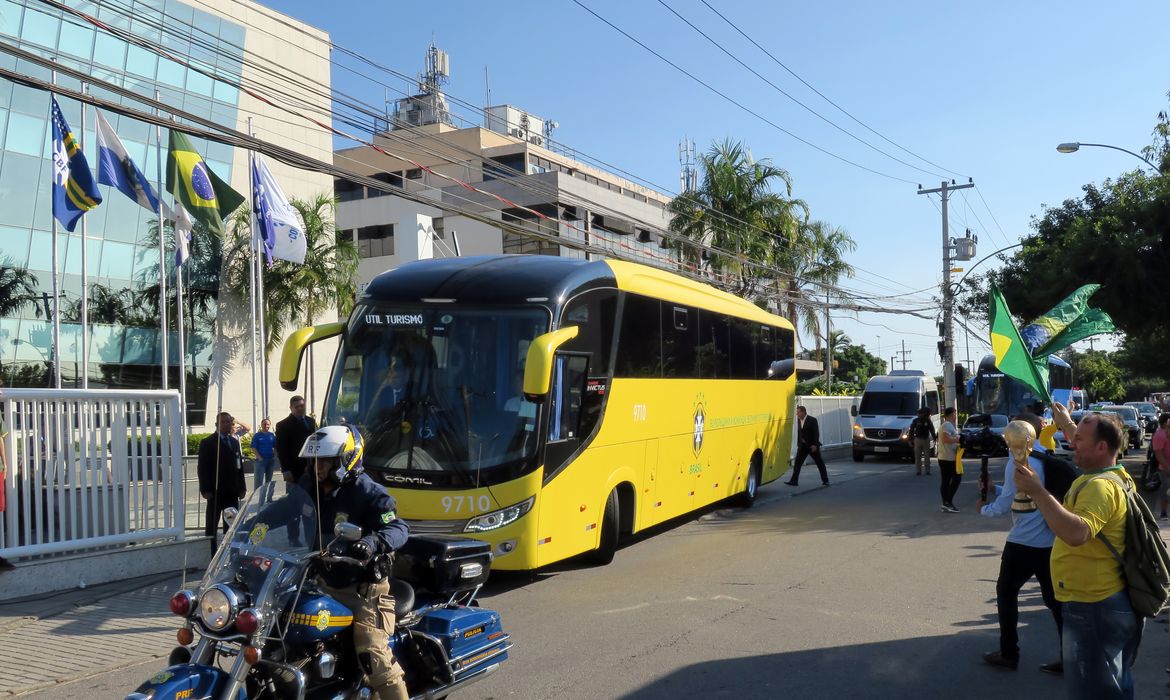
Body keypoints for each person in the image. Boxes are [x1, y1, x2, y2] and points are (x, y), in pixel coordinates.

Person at [1014, 411, 1143, 699]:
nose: (1071, 444)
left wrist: (1037, 491)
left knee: (1093, 692)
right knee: (1114, 686)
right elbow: (1092, 441)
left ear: (1101, 448)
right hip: (1103, 602)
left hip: (1092, 606)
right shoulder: (1113, 474)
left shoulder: (1099, 487)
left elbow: (1076, 534)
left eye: (1078, 440)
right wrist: (1068, 424)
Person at [297, 425, 410, 700]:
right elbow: (285, 509)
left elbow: (397, 528)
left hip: (362, 593)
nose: (317, 467)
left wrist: (372, 543)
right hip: (321, 583)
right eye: (314, 461)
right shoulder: (309, 487)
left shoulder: (370, 493)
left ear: (346, 459)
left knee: (375, 658)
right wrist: (254, 524)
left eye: (324, 461)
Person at [976, 402, 1076, 675]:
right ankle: (1071, 657)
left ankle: (1009, 653)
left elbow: (1009, 502)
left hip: (1022, 542)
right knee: (1055, 602)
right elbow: (1024, 493)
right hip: (1049, 542)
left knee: (1006, 594)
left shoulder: (1017, 462)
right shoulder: (1046, 456)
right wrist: (994, 487)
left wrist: (984, 508)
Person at [198, 412, 247, 555]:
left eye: (228, 422)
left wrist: (242, 486)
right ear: (216, 424)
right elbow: (202, 468)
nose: (226, 425)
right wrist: (205, 489)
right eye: (223, 422)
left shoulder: (234, 442)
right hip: (215, 491)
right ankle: (212, 554)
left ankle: (229, 554)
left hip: (232, 491)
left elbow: (239, 466)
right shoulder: (208, 442)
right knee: (212, 526)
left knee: (231, 525)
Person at [276, 395, 317, 484]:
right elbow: (281, 450)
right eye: (297, 407)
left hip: (312, 468)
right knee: (294, 496)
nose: (300, 408)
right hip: (294, 470)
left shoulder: (311, 421)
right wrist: (286, 470)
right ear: (291, 408)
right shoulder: (282, 425)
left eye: (302, 406)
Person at [785, 405, 829, 487]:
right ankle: (794, 481)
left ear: (803, 412)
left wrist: (815, 445)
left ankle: (825, 480)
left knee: (820, 463)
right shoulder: (799, 420)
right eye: (797, 412)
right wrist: (799, 444)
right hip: (803, 446)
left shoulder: (812, 420)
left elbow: (816, 433)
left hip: (812, 446)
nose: (797, 414)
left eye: (798, 412)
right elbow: (800, 433)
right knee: (797, 463)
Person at [937, 407, 962, 513]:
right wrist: (958, 439)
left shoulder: (948, 425)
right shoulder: (947, 425)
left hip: (947, 457)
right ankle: (948, 502)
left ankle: (946, 503)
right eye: (955, 414)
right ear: (951, 414)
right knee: (956, 479)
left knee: (947, 480)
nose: (955, 416)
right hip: (947, 458)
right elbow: (945, 439)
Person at [1151, 414, 1170, 520]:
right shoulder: (1159, 435)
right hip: (1166, 468)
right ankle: (1163, 512)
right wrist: (1167, 468)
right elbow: (1158, 453)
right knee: (1166, 488)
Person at [909, 407, 937, 476]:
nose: (918, 414)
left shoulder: (927, 421)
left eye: (920, 413)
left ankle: (927, 470)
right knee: (917, 456)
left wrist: (934, 438)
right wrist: (910, 440)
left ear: (923, 414)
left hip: (926, 439)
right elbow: (911, 431)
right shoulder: (915, 421)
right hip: (917, 439)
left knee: (927, 456)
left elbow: (932, 430)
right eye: (918, 413)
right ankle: (918, 471)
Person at [251, 418, 276, 488]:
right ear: (261, 425)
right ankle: (257, 498)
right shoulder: (257, 435)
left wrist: (275, 456)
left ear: (270, 425)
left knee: (269, 482)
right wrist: (259, 458)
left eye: (267, 424)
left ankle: (267, 498)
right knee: (258, 482)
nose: (266, 426)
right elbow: (253, 447)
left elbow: (276, 446)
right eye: (264, 424)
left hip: (270, 460)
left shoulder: (272, 435)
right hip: (260, 461)